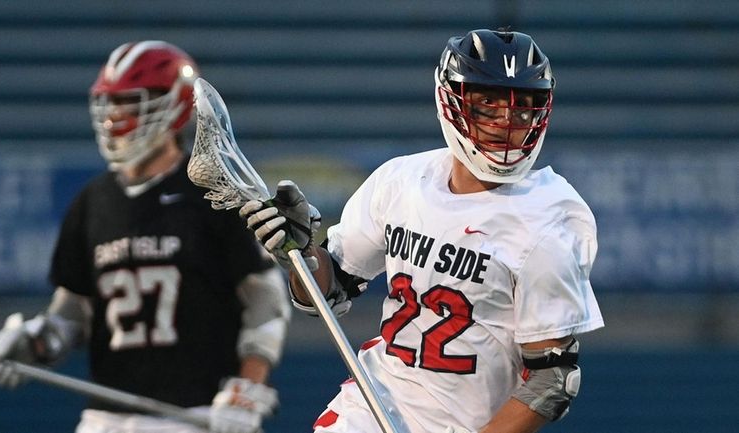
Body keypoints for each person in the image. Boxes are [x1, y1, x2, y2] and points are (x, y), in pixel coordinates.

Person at [239, 29, 604, 433]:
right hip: (373, 405)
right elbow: (326, 293)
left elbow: (552, 381)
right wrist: (302, 255)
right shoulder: (402, 181)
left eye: (522, 109)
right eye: (487, 103)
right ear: (451, 100)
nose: (506, 122)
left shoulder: (549, 219)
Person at [0, 40, 290, 433]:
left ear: (174, 106)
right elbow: (75, 311)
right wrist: (35, 342)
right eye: (110, 103)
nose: (115, 117)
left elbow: (266, 299)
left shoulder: (214, 195)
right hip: (107, 415)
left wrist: (249, 386)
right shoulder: (92, 201)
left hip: (196, 413)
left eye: (130, 101)